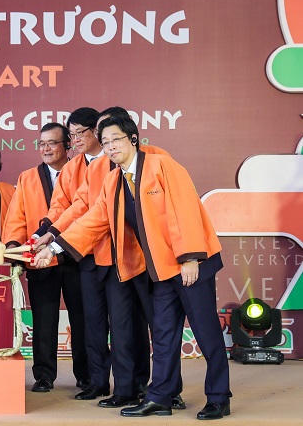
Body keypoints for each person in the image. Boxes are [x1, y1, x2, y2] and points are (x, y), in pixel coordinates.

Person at [33, 115, 231, 420]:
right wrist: (54, 248)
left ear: (133, 139)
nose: (111, 147)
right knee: (163, 335)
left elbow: (186, 209)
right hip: (161, 270)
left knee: (206, 332)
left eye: (117, 139)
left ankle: (219, 397)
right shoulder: (113, 181)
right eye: (106, 142)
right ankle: (160, 397)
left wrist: (190, 258)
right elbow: (92, 221)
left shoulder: (162, 165)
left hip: (193, 263)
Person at [35, 107, 175, 407]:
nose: (106, 141)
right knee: (110, 325)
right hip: (94, 254)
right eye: (104, 136)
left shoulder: (157, 159)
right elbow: (84, 210)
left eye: (111, 136)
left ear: (129, 135)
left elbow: (177, 210)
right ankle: (119, 387)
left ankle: (162, 389)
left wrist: (188, 255)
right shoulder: (97, 170)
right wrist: (53, 235)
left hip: (142, 257)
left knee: (152, 325)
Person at [2, 123, 86, 393]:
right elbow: (17, 216)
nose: (46, 148)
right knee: (43, 320)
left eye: (52, 143)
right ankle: (44, 376)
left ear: (67, 145)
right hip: (40, 259)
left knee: (83, 319)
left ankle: (87, 376)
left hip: (77, 256)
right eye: (42, 143)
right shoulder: (27, 178)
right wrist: (14, 247)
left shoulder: (83, 172)